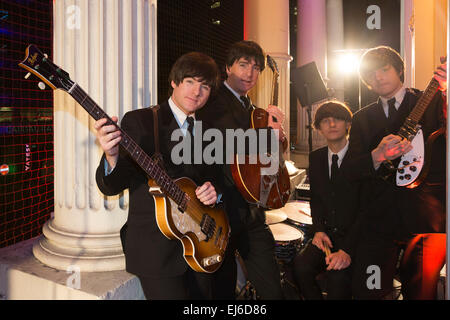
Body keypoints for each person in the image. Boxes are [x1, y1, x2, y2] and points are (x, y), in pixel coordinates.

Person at [94, 52, 224, 300]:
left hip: (201, 244)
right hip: (156, 252)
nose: (197, 92)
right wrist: (111, 156)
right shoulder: (141, 121)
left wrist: (214, 191)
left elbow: (218, 179)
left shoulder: (207, 131)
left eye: (204, 86)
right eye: (190, 81)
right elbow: (112, 186)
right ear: (174, 82)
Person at [346, 46, 447, 299]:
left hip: (426, 215)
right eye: (371, 73)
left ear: (399, 69)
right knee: (370, 291)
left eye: (385, 69)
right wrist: (376, 155)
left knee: (421, 293)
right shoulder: (361, 118)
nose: (378, 76)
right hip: (378, 221)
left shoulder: (432, 99)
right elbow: (351, 170)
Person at [196, 40, 286, 299]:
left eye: (256, 68)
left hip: (252, 212)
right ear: (227, 68)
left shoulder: (254, 110)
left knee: (272, 287)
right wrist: (268, 135)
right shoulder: (211, 102)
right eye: (243, 65)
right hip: (221, 212)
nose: (250, 73)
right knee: (222, 290)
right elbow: (226, 142)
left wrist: (279, 139)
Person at [292, 101, 361, 300]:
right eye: (325, 121)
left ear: (348, 124)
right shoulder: (316, 158)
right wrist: (319, 229)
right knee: (300, 266)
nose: (331, 124)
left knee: (337, 283)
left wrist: (347, 250)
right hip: (327, 237)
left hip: (354, 240)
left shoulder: (361, 157)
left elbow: (366, 209)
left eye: (337, 119)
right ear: (319, 128)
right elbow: (317, 200)